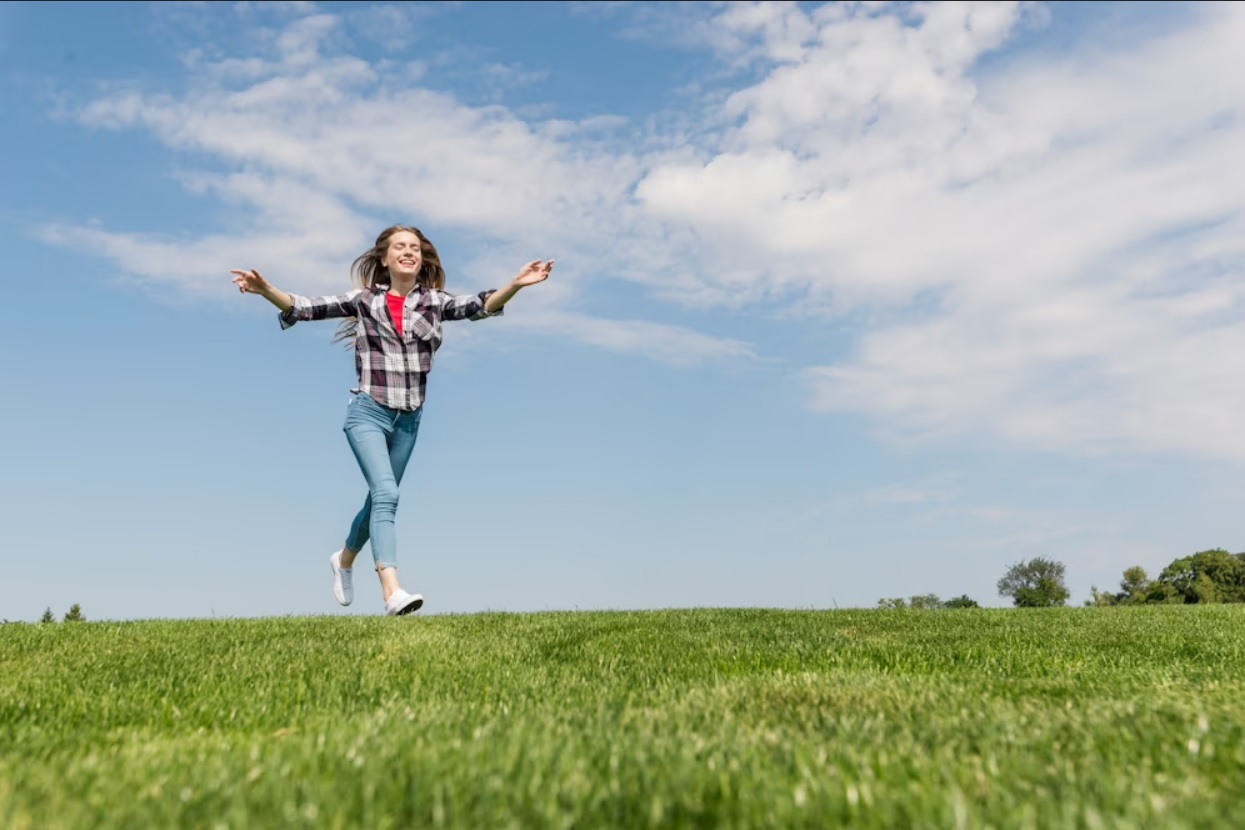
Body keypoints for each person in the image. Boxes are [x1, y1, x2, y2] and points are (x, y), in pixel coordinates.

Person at [230, 225, 553, 616]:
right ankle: (392, 592)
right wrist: (266, 290)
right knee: (387, 495)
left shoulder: (434, 302)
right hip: (368, 412)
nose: (408, 252)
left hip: (409, 422)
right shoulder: (364, 300)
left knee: (379, 500)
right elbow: (304, 307)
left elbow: (478, 306)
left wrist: (516, 284)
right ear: (384, 258)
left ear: (422, 258)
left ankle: (344, 559)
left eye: (414, 247)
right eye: (400, 246)